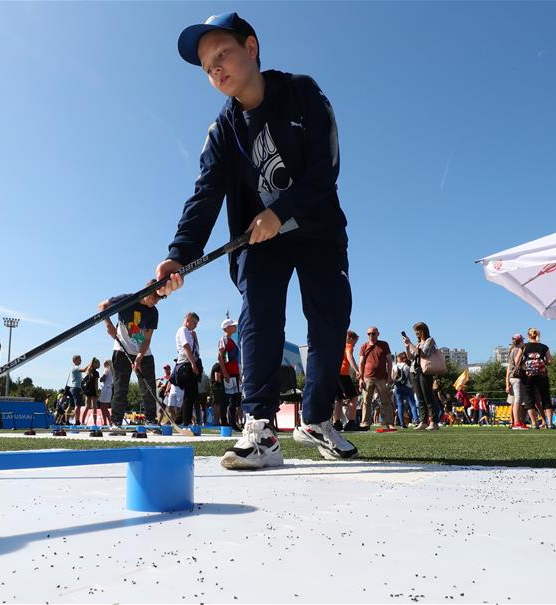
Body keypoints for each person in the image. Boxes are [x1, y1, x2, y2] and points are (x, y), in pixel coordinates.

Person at [156, 12, 357, 469]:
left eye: (222, 54)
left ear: (251, 48)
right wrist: (178, 256)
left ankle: (317, 418)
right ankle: (261, 428)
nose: (216, 70)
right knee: (258, 316)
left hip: (318, 228)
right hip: (258, 240)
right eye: (207, 67)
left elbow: (325, 169)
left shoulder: (302, 91)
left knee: (328, 320)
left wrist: (281, 210)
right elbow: (205, 194)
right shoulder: (222, 130)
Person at [97, 286, 161, 435]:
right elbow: (102, 306)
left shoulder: (153, 312)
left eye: (158, 300)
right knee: (121, 386)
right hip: (122, 348)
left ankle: (151, 421)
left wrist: (139, 356)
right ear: (146, 292)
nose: (155, 302)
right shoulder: (128, 299)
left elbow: (147, 339)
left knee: (149, 387)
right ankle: (116, 422)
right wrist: (109, 325)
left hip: (143, 353)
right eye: (154, 298)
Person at [403, 322, 441, 431]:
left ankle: (434, 422)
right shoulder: (418, 343)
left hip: (425, 371)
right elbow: (410, 357)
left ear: (423, 330)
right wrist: (407, 346)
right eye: (415, 331)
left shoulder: (430, 341)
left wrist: (410, 343)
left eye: (418, 330)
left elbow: (424, 354)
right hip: (414, 371)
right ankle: (423, 421)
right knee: (420, 398)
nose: (416, 333)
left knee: (428, 396)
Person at [358, 327, 396, 431]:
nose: (371, 335)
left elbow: (389, 361)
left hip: (382, 378)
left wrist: (389, 377)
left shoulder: (384, 344)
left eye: (373, 333)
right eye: (369, 334)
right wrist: (360, 378)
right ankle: (365, 423)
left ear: (378, 334)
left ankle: (389, 423)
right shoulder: (364, 346)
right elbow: (361, 363)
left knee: (386, 401)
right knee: (366, 401)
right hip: (367, 377)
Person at [514, 327, 552, 429]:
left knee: (529, 399)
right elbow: (550, 362)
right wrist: (540, 360)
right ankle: (550, 423)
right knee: (546, 398)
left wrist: (525, 362)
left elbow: (516, 361)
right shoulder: (544, 347)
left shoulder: (524, 347)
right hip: (542, 376)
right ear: (538, 335)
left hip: (528, 377)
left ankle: (534, 424)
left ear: (528, 336)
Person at [173, 312, 202, 425]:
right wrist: (193, 364)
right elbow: (186, 347)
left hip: (189, 363)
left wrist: (195, 338)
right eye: (194, 323)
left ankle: (179, 419)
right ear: (188, 319)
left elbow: (196, 350)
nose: (195, 326)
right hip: (186, 365)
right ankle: (186, 421)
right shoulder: (183, 330)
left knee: (191, 394)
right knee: (190, 393)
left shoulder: (190, 333)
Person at [334, 330, 360, 431]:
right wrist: (357, 370)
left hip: (334, 374)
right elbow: (350, 356)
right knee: (354, 397)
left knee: (338, 399)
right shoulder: (348, 345)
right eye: (355, 341)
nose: (354, 344)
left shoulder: (338, 346)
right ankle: (351, 422)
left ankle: (336, 423)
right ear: (350, 338)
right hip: (343, 374)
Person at [505, 333, 526, 429]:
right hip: (517, 377)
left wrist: (507, 383)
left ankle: (513, 422)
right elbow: (518, 363)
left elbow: (508, 369)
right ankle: (517, 422)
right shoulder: (519, 350)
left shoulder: (511, 350)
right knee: (518, 400)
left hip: (511, 378)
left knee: (513, 401)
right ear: (521, 340)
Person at [391, 352, 417, 428]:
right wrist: (412, 387)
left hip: (397, 387)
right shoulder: (407, 366)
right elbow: (410, 378)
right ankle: (416, 420)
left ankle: (402, 423)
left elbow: (392, 378)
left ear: (399, 358)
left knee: (400, 405)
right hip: (407, 386)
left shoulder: (394, 366)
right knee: (412, 404)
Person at [80, 357, 103, 426]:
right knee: (94, 407)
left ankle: (82, 422)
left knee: (87, 407)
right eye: (98, 364)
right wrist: (97, 393)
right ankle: (95, 423)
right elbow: (96, 384)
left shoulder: (89, 371)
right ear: (95, 364)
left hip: (87, 391)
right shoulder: (96, 373)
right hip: (93, 391)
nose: (99, 365)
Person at [67, 355, 85, 425]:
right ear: (75, 360)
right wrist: (91, 364)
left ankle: (67, 421)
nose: (81, 361)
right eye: (79, 359)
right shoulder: (76, 367)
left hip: (72, 388)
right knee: (78, 405)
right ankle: (77, 421)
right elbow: (84, 370)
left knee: (71, 406)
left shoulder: (72, 368)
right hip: (77, 388)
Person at [98, 359, 113, 427]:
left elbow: (102, 379)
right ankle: (109, 422)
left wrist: (99, 378)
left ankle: (105, 422)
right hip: (109, 389)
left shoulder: (106, 369)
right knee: (105, 408)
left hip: (105, 389)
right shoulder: (111, 370)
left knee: (102, 407)